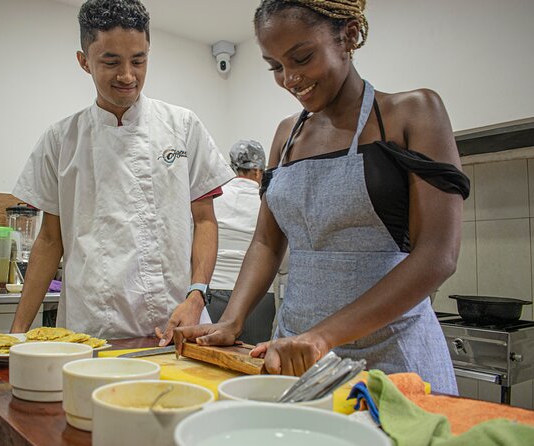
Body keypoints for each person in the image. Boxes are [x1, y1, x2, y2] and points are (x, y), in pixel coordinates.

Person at [173, 0, 470, 395]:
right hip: (293, 355)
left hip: (392, 359)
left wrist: (322, 337)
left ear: (348, 36)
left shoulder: (412, 114)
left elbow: (437, 254)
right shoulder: (286, 135)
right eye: (275, 66)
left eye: (301, 57)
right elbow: (266, 241)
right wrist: (232, 319)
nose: (290, 78)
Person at [10, 0, 234, 340]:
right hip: (90, 329)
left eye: (139, 60)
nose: (128, 76)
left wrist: (197, 293)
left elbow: (205, 220)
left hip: (173, 326)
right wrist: (17, 333)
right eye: (111, 62)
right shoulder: (60, 140)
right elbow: (49, 239)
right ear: (84, 62)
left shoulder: (182, 127)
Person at [207, 140, 276, 345]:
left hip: (213, 290)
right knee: (252, 359)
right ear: (258, 171)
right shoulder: (266, 201)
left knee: (209, 359)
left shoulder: (215, 197)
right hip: (258, 296)